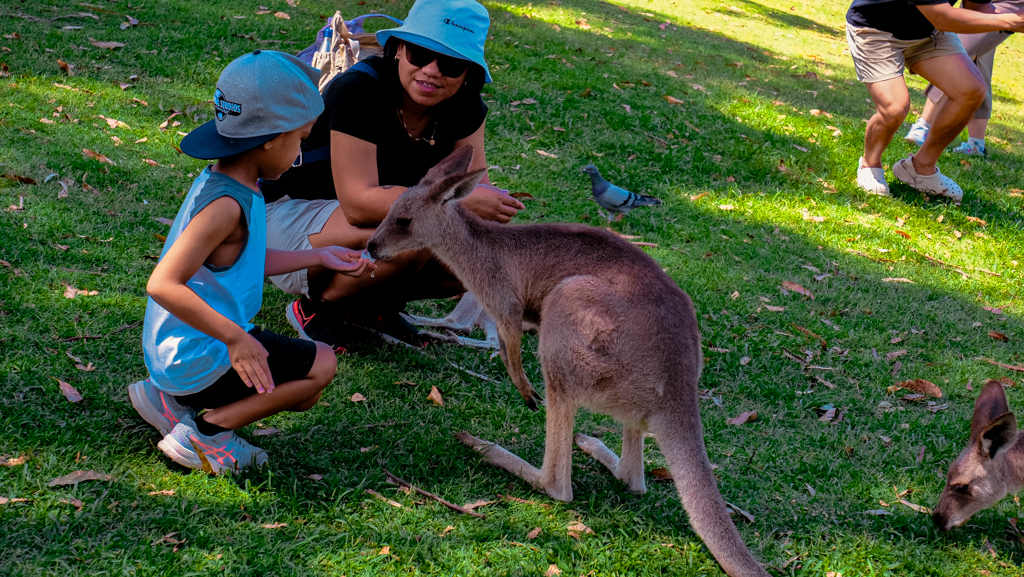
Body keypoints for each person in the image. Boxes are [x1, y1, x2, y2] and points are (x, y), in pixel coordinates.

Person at [128, 50, 375, 473]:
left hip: (185, 350)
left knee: (305, 381)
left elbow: (242, 260)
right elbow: (162, 284)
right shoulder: (225, 205)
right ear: (270, 139)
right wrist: (236, 340)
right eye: (301, 140)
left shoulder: (230, 180)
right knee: (321, 365)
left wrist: (318, 255)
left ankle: (170, 400)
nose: (299, 155)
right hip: (199, 351)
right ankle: (206, 432)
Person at [258, 0, 523, 349]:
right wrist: (464, 201)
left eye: (452, 63)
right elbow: (357, 203)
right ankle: (321, 309)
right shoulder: (359, 89)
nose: (431, 70)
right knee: (410, 241)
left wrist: (489, 210)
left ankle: (372, 307)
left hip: (358, 226)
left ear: (468, 73)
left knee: (481, 256)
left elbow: (475, 193)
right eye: (419, 53)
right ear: (397, 50)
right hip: (288, 217)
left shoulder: (466, 107)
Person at [846, 0, 1024, 201]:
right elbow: (943, 17)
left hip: (928, 34)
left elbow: (978, 7)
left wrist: (1016, 16)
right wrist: (1011, 20)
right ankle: (870, 164)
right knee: (895, 107)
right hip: (875, 30)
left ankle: (920, 167)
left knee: (970, 90)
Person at [905, 0, 1022, 156]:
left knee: (957, 58)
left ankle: (923, 127)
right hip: (980, 3)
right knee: (979, 63)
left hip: (1009, 4)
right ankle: (976, 144)